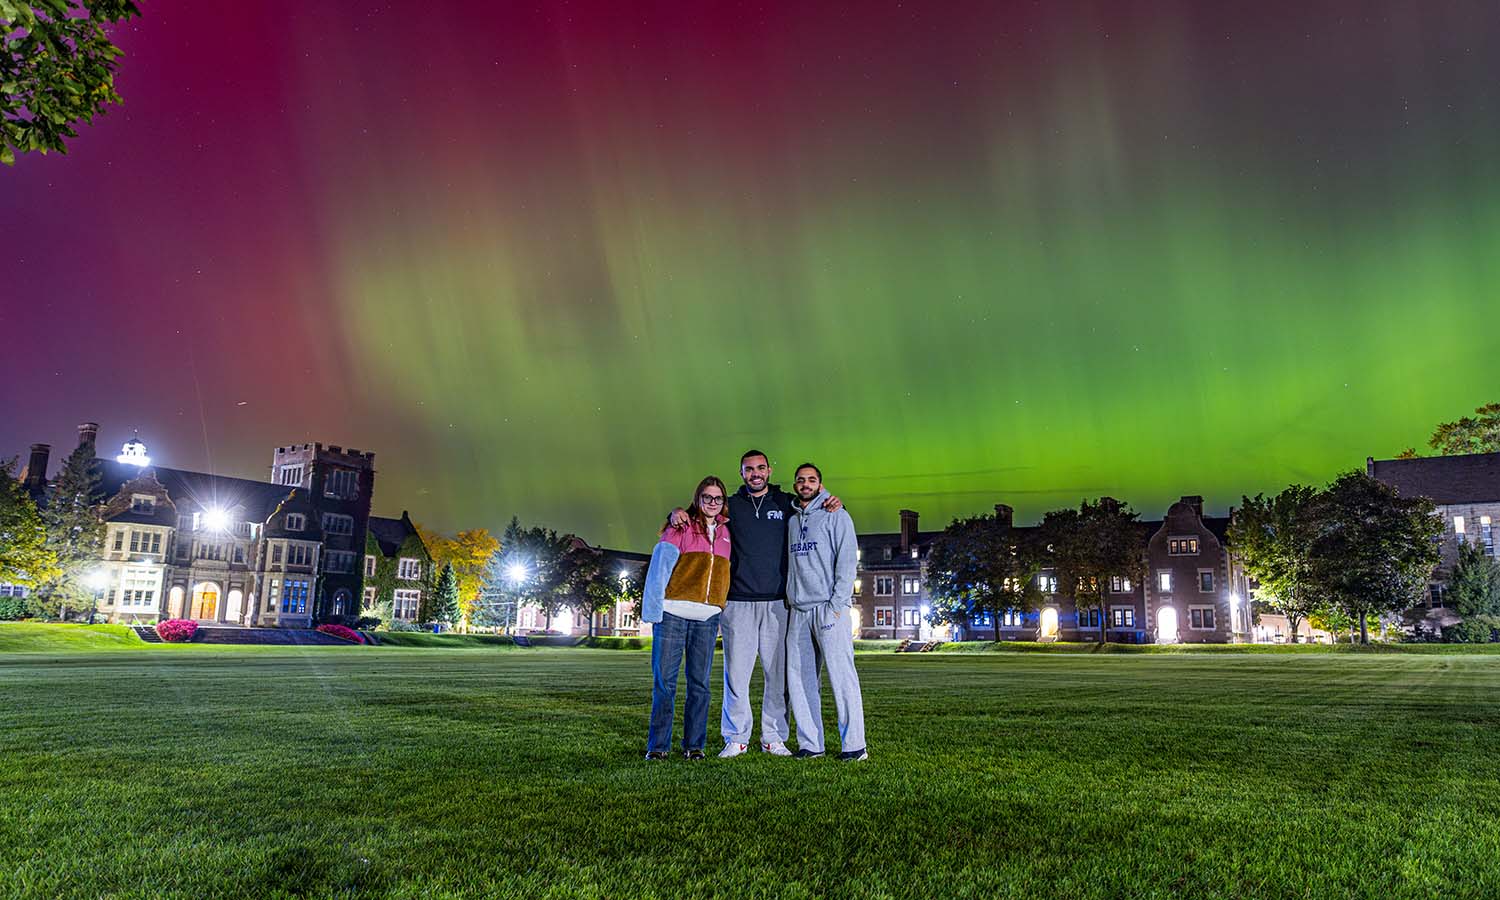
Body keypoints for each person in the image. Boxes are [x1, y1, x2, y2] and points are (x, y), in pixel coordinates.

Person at [668, 450, 840, 759]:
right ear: (742, 472)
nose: (755, 473)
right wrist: (676, 511)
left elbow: (813, 504)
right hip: (738, 602)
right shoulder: (731, 507)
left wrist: (831, 500)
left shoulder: (785, 503)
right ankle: (736, 737)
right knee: (737, 674)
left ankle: (773, 737)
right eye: (749, 469)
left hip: (778, 603)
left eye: (760, 468)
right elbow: (699, 516)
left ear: (770, 471)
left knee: (777, 676)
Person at [641, 476, 732, 760]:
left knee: (700, 685)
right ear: (698, 499)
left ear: (723, 502)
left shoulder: (728, 533)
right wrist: (653, 611)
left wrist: (719, 606)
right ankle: (658, 747)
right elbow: (660, 567)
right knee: (665, 682)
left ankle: (694, 745)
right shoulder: (680, 526)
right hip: (672, 614)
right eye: (707, 497)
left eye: (718, 498)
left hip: (706, 618)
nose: (712, 503)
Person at [784, 462, 866, 761]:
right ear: (795, 485)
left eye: (812, 480)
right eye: (801, 480)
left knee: (842, 676)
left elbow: (846, 563)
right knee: (801, 679)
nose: (806, 484)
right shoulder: (792, 520)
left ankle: (855, 746)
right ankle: (811, 744)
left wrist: (836, 605)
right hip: (798, 609)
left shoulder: (837, 515)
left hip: (828, 609)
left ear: (820, 484)